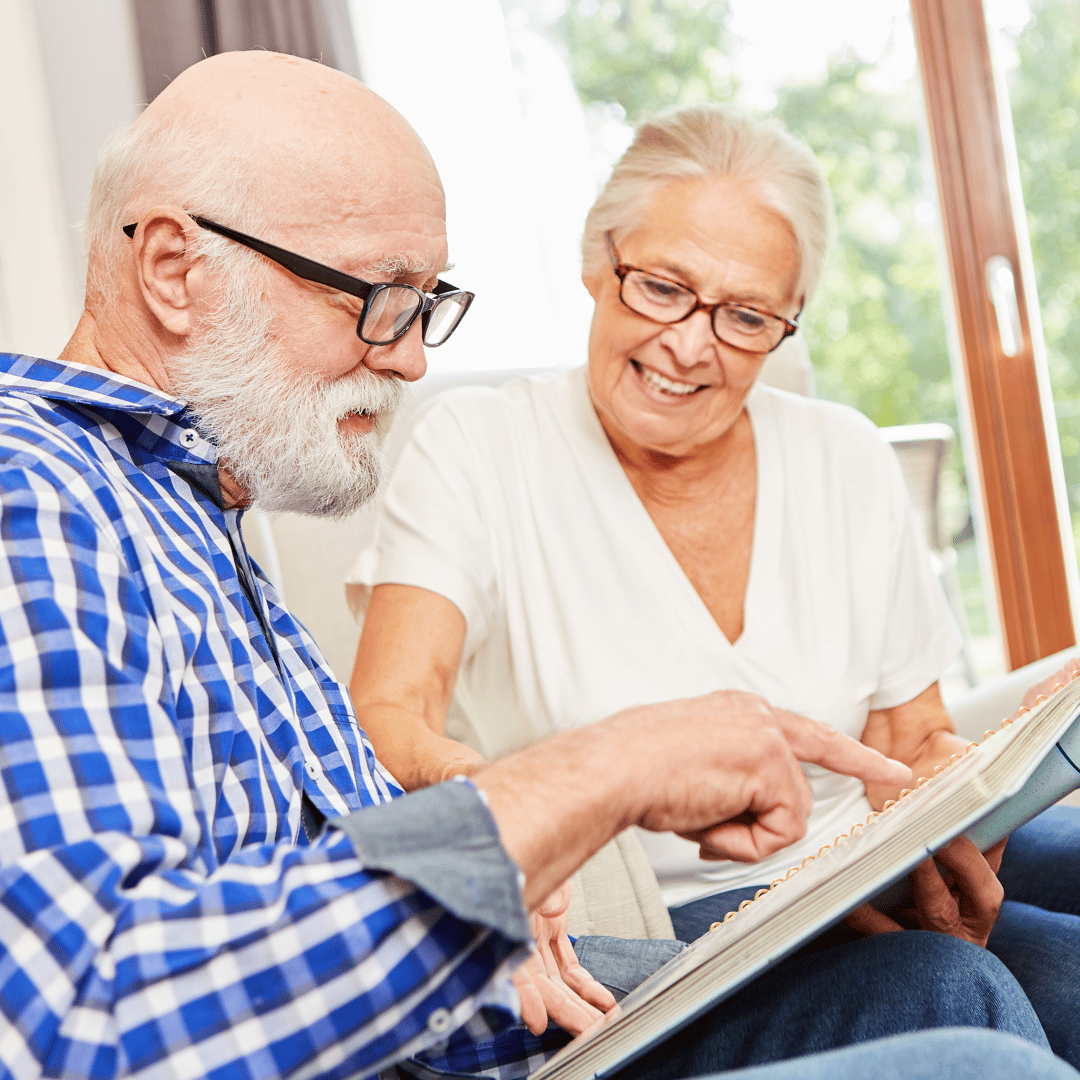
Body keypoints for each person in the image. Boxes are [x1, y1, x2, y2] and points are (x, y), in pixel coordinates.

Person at [0, 50, 1067, 1080]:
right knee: (964, 1027)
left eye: (425, 303)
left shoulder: (190, 507)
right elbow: (80, 1017)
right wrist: (590, 784)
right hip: (454, 1026)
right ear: (175, 270)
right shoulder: (34, 490)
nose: (413, 355)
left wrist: (488, 887)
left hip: (481, 1003)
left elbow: (310, 851)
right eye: (378, 295)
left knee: (958, 979)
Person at [347, 103, 1080, 1068]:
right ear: (595, 260)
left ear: (786, 322)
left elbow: (911, 737)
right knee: (957, 989)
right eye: (661, 288)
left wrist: (980, 784)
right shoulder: (478, 448)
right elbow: (383, 718)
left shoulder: (844, 455)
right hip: (663, 923)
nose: (692, 345)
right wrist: (513, 816)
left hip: (859, 867)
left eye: (745, 316)